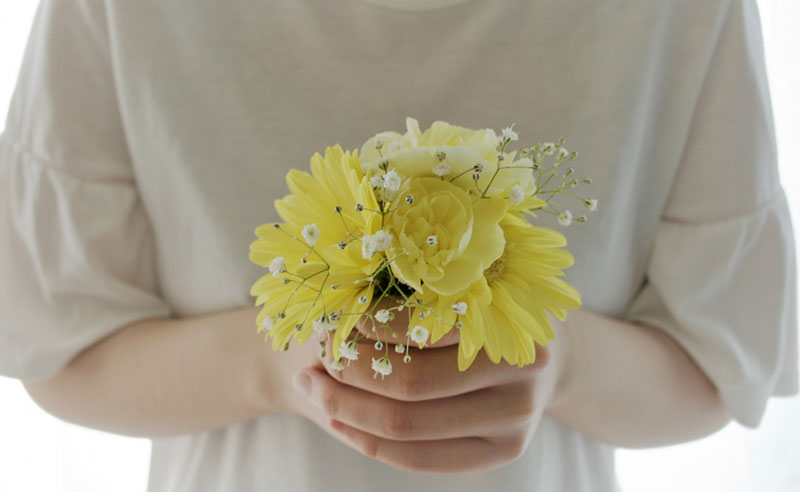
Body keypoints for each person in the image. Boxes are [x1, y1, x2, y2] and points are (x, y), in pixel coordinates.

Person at [0, 0, 796, 490]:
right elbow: (55, 347)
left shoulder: (685, 11)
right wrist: (274, 364)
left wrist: (562, 364)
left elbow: (728, 359)